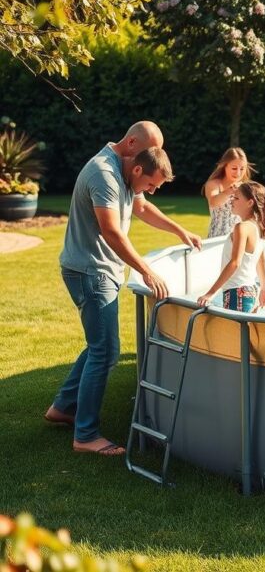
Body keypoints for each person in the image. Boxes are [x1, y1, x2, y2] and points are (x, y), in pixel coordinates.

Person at [45, 121, 203, 456]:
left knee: (98, 346)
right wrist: (146, 271)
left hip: (97, 271)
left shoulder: (126, 172)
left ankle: (63, 407)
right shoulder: (104, 173)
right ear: (134, 154)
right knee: (105, 351)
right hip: (91, 273)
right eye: (150, 182)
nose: (150, 190)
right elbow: (112, 232)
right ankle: (85, 436)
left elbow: (142, 207)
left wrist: (179, 231)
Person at [197, 182, 265, 313]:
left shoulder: (242, 227)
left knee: (235, 333)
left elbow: (235, 263)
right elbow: (262, 262)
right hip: (251, 290)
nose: (231, 200)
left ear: (250, 203)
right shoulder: (259, 226)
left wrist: (210, 293)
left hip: (237, 292)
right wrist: (264, 290)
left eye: (236, 198)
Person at [203, 147, 254, 238]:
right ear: (225, 166)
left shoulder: (245, 187)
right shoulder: (214, 184)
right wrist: (230, 191)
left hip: (239, 237)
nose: (238, 173)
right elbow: (213, 202)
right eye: (234, 168)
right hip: (217, 237)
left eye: (242, 169)